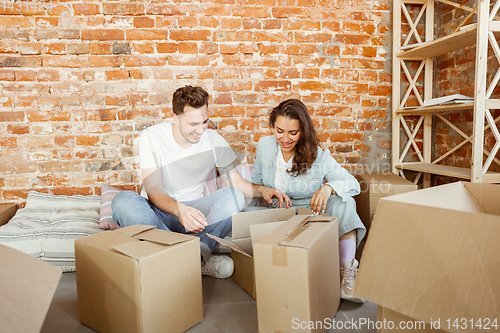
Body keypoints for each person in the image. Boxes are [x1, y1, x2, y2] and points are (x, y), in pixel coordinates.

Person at [111, 86, 290, 279]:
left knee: (234, 195)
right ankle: (194, 259)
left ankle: (190, 255)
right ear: (175, 118)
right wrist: (179, 210)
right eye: (193, 124)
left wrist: (264, 190)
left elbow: (236, 183)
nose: (200, 130)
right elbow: (153, 189)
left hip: (197, 217)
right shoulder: (152, 136)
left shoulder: (214, 140)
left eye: (204, 121)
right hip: (158, 213)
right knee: (122, 201)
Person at [247, 98, 366, 303]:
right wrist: (264, 190)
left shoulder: (318, 155)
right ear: (273, 127)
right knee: (237, 215)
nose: (285, 139)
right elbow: (254, 185)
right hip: (278, 211)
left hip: (311, 211)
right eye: (279, 131)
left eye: (293, 133)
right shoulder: (265, 146)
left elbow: (352, 183)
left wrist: (328, 188)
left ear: (303, 131)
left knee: (346, 203)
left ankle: (346, 273)